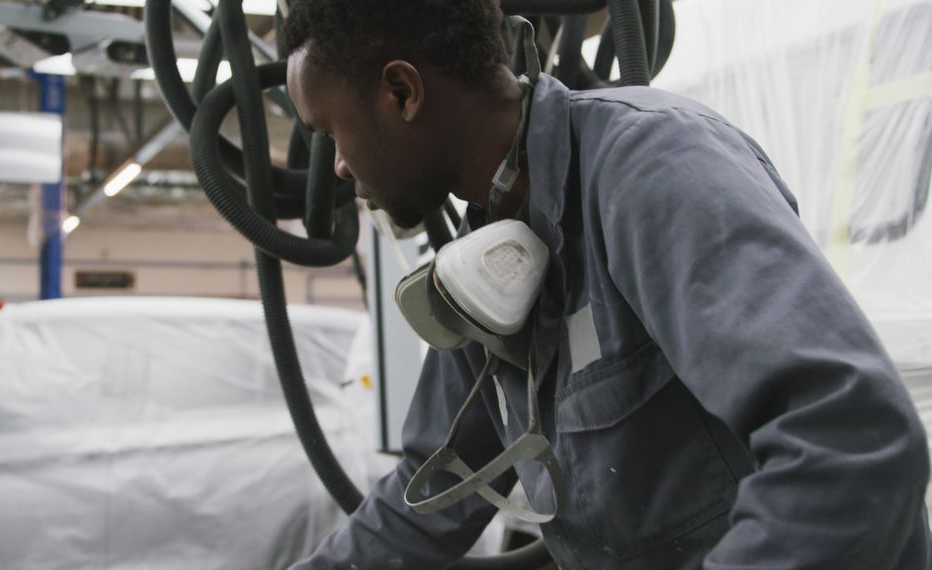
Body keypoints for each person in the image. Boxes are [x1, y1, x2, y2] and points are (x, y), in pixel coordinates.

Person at [281, 1, 932, 568]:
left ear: (401, 92)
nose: (337, 165)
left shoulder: (652, 170)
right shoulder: (487, 255)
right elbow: (430, 496)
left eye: (331, 131)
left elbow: (852, 439)